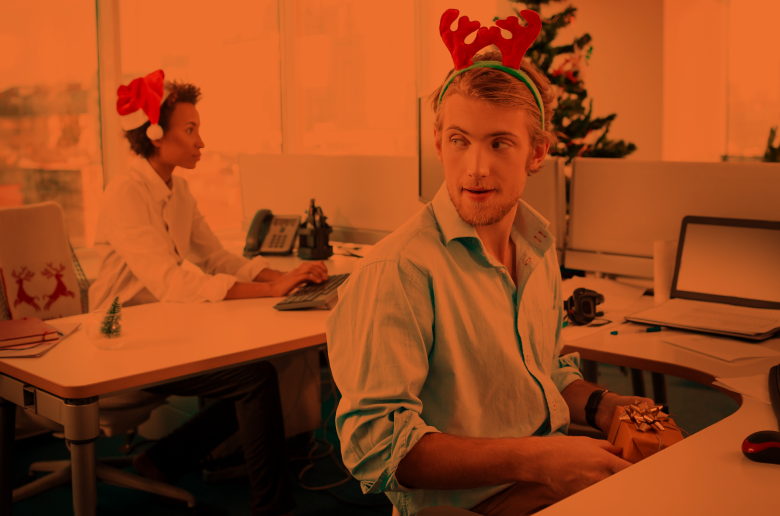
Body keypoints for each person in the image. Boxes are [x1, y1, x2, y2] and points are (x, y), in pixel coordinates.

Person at [325, 10, 656, 516]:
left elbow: (541, 374)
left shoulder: (537, 248)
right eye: (460, 141)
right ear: (439, 143)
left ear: (537, 153)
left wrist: (602, 404)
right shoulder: (399, 270)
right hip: (471, 505)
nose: (475, 168)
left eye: (499, 143)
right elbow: (379, 450)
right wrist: (542, 460)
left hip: (542, 476)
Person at [90, 69, 327, 516]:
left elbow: (216, 258)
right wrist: (271, 289)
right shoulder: (126, 193)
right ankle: (273, 509)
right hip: (122, 344)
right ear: (156, 135)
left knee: (261, 372)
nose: (201, 142)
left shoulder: (177, 190)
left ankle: (162, 459)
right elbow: (172, 282)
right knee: (254, 379)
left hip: (163, 332)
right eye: (190, 130)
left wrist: (284, 274)